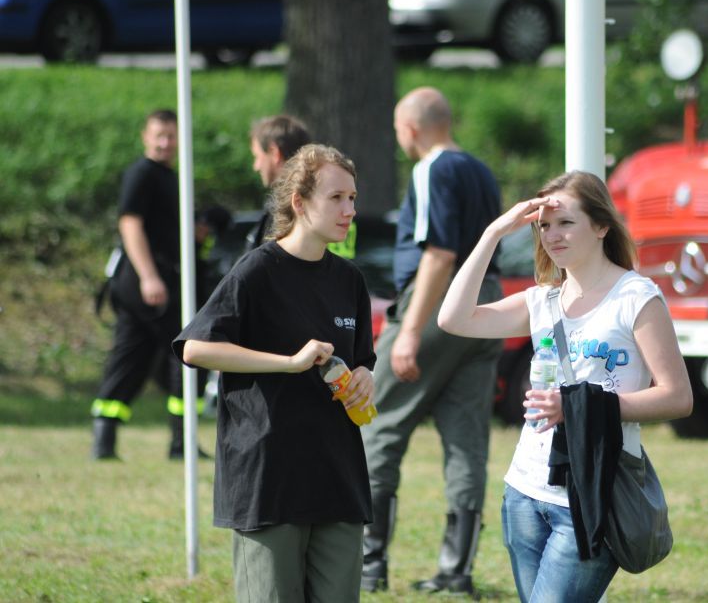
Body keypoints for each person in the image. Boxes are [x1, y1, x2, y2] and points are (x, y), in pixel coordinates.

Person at [437, 170, 693, 602]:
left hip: (592, 492)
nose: (552, 236)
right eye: (544, 226)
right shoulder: (542, 299)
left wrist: (577, 405)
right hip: (523, 491)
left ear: (601, 225)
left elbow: (677, 397)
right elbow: (453, 319)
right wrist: (494, 232)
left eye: (566, 223)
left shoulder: (635, 297)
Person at [172, 144, 375, 603]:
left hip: (337, 478)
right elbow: (195, 348)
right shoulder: (257, 270)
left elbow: (363, 360)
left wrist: (365, 376)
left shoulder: (349, 279)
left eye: (352, 198)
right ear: (299, 203)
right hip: (270, 480)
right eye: (337, 198)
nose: (350, 210)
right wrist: (287, 363)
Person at [360, 86, 503, 595]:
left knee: (376, 427)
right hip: (486, 306)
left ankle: (369, 566)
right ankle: (456, 570)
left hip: (442, 304)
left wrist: (410, 332)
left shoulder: (432, 169)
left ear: (412, 128)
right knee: (466, 440)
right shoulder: (479, 169)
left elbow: (439, 254)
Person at [90, 109, 205, 460]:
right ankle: (180, 443)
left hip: (153, 281)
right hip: (147, 282)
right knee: (187, 350)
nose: (165, 142)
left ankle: (104, 442)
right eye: (159, 135)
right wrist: (149, 276)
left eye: (171, 136)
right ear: (145, 136)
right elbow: (130, 225)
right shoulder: (142, 173)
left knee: (131, 358)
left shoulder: (169, 176)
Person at [247, 114, 356, 259]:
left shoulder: (284, 211)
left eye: (257, 156)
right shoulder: (338, 212)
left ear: (274, 153)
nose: (256, 166)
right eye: (336, 197)